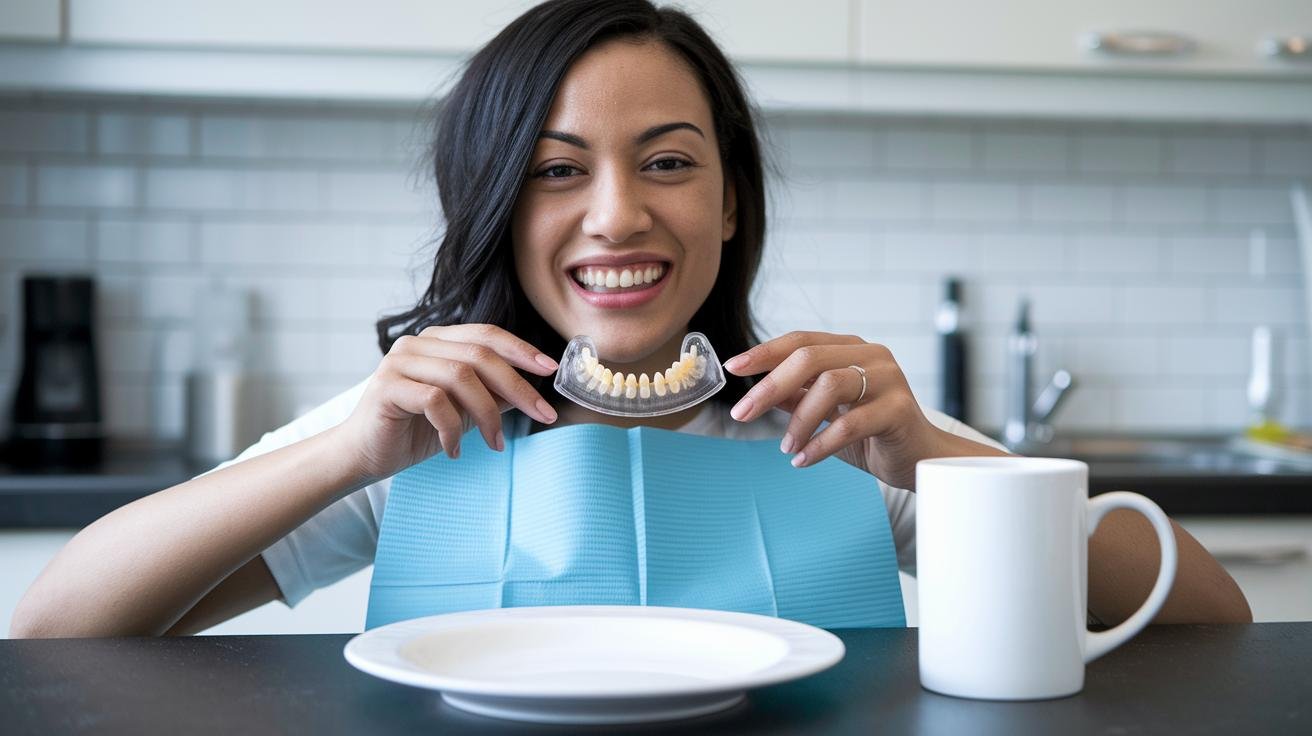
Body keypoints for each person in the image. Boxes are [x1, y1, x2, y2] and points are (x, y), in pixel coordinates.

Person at [10, 0, 1250, 638]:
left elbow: (1207, 622)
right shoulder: (416, 436)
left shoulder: (837, 431)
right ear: (496, 208)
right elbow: (59, 629)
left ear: (729, 201)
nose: (616, 215)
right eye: (557, 171)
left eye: (667, 163)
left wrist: (926, 450)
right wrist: (344, 453)